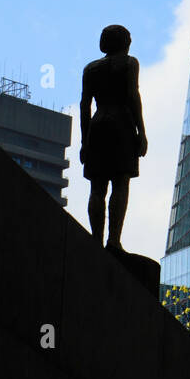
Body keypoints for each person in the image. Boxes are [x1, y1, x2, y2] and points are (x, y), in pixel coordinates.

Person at [80, 24, 147, 251]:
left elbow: (84, 106)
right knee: (120, 183)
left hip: (97, 127)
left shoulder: (91, 69)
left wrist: (84, 140)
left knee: (97, 188)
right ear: (124, 42)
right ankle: (113, 241)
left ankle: (95, 240)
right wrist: (141, 132)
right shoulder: (130, 63)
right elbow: (132, 96)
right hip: (122, 125)